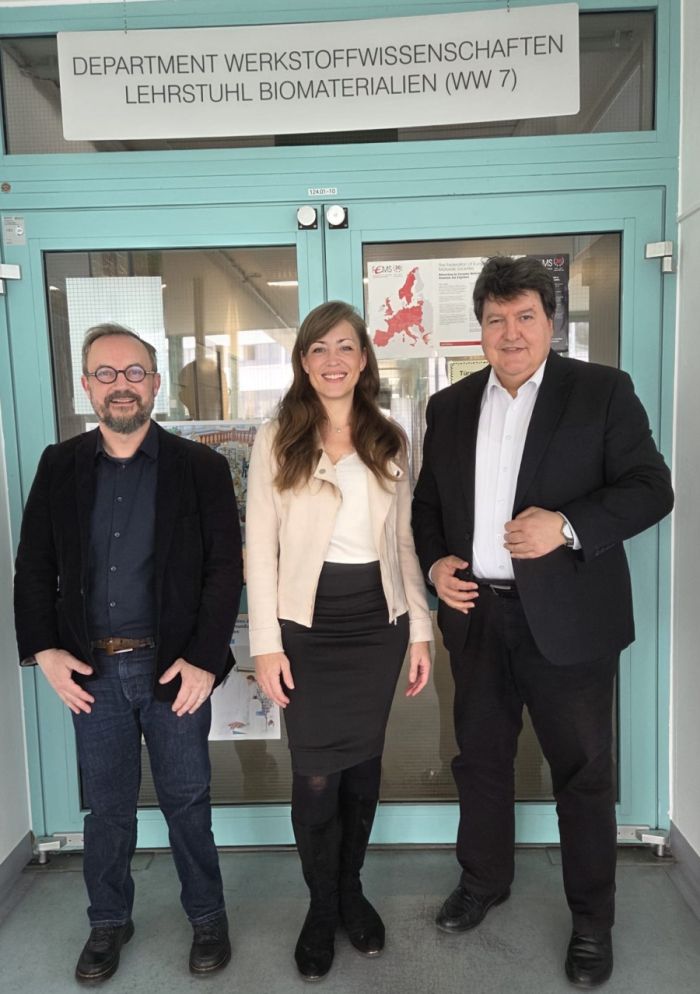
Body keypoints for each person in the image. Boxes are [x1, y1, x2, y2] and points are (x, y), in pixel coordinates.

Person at [411, 256, 673, 989]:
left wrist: (566, 525)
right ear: (479, 329)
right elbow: (427, 507)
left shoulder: (601, 391)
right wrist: (435, 565)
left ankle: (591, 922)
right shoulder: (451, 406)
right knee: (480, 760)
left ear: (550, 322)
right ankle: (483, 880)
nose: (511, 333)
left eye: (525, 316)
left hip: (570, 621)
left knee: (582, 775)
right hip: (478, 616)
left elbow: (652, 489)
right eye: (495, 319)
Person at [14, 323, 243, 983]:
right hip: (92, 671)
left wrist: (205, 659)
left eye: (135, 372)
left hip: (173, 667)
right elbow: (35, 566)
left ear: (156, 382)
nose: (122, 385)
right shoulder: (59, 465)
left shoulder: (200, 467)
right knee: (107, 809)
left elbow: (223, 571)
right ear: (87, 385)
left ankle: (208, 917)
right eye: (107, 373)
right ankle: (109, 921)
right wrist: (45, 651)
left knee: (188, 801)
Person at [247, 300, 433, 981]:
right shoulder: (278, 437)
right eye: (319, 348)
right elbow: (258, 547)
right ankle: (320, 905)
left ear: (363, 359)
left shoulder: (389, 438)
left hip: (376, 623)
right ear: (303, 361)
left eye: (346, 347)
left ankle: (350, 890)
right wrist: (265, 643)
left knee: (361, 766)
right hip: (305, 626)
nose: (333, 360)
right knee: (316, 774)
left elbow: (404, 542)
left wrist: (420, 630)